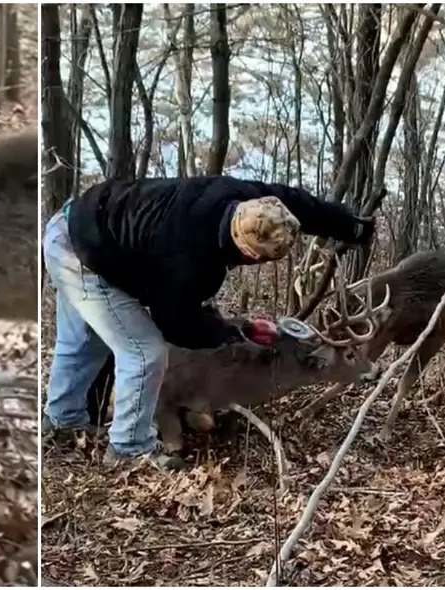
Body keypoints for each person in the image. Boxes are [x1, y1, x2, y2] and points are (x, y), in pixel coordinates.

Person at [41, 175, 375, 470]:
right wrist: (236, 331)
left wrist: (351, 227)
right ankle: (129, 450)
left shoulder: (246, 200)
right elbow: (176, 324)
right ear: (247, 253)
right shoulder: (189, 256)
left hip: (76, 223)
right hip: (83, 253)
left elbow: (297, 203)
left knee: (82, 340)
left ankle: (63, 423)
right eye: (259, 260)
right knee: (144, 352)